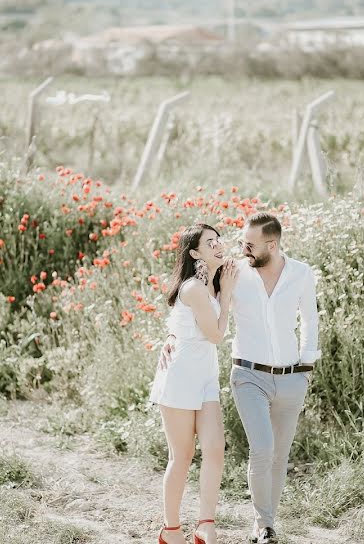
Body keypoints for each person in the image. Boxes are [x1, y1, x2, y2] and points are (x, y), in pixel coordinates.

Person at [159, 212, 319, 544]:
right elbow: (194, 310)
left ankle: (232, 524)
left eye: (248, 244)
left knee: (240, 451)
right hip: (224, 375)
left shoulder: (293, 273)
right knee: (236, 451)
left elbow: (310, 320)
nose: (236, 248)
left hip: (247, 378)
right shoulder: (230, 275)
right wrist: (172, 338)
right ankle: (179, 528)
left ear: (271, 245)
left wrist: (306, 365)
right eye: (237, 242)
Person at [149, 223, 239, 544]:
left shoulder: (214, 281)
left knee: (215, 448)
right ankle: (170, 529)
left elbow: (181, 325)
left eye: (218, 240)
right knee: (183, 455)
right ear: (195, 253)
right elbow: (215, 335)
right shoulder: (193, 288)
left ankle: (205, 523)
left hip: (205, 377)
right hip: (181, 376)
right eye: (209, 242)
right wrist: (226, 296)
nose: (217, 245)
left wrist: (223, 288)